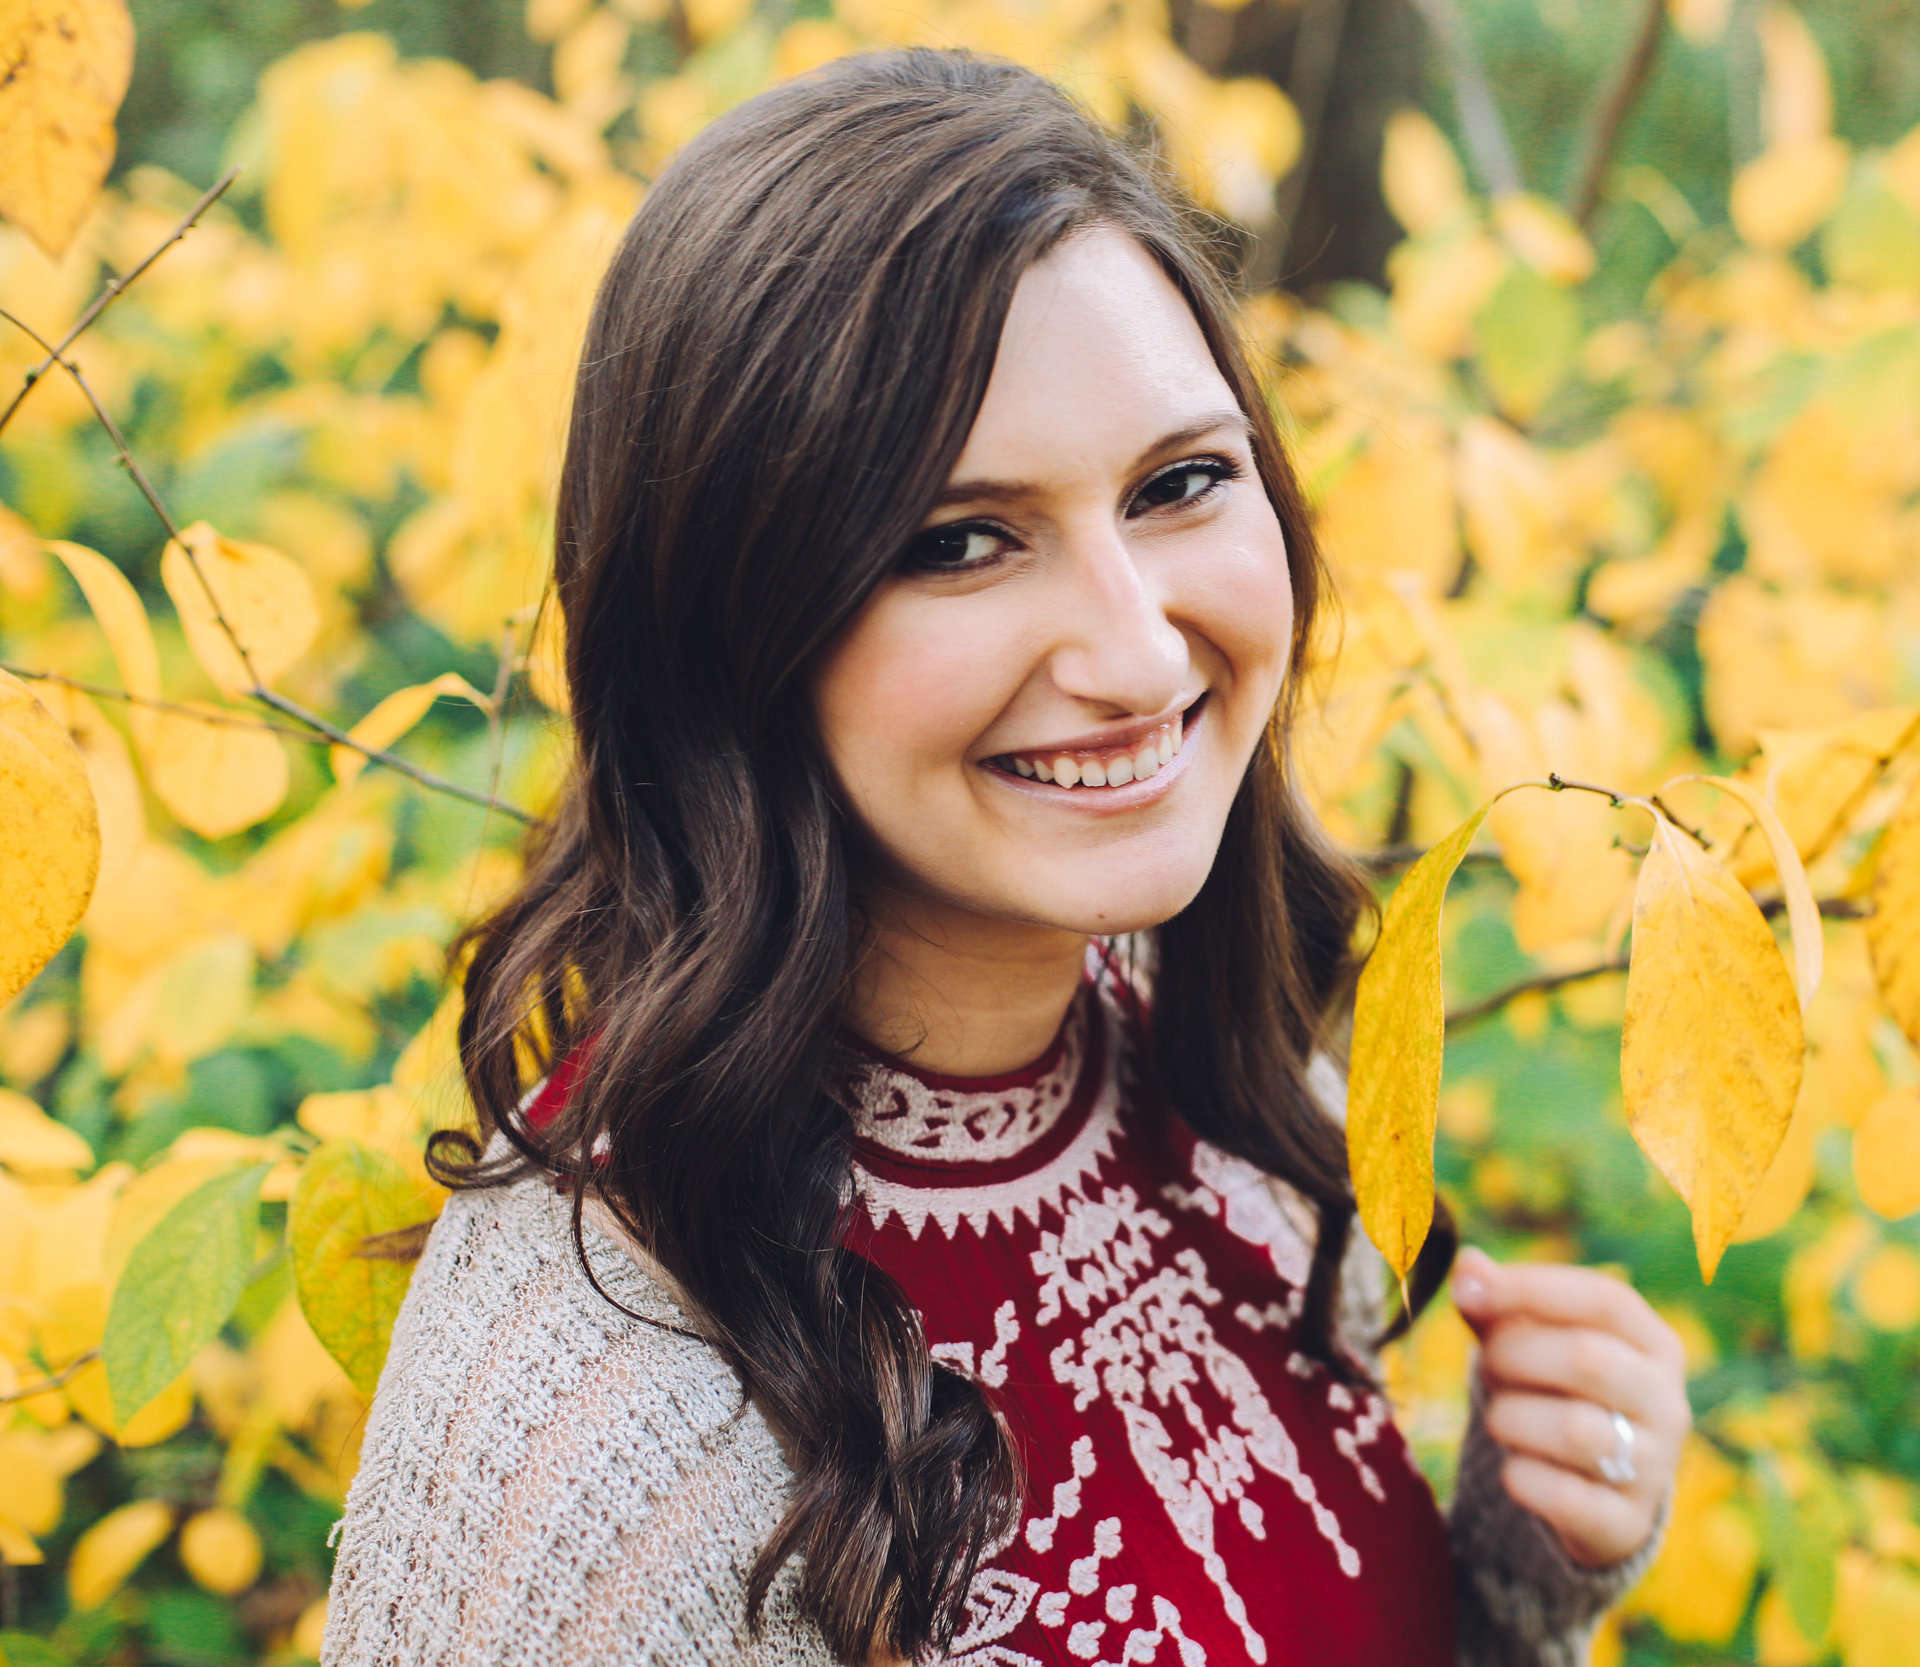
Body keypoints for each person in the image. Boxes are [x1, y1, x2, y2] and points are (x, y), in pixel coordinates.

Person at [323, 47, 1688, 1667]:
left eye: (1180, 483)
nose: (1132, 648)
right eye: (961, 541)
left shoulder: (1224, 1074)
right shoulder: (600, 1427)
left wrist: (1516, 1590)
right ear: (737, 624)